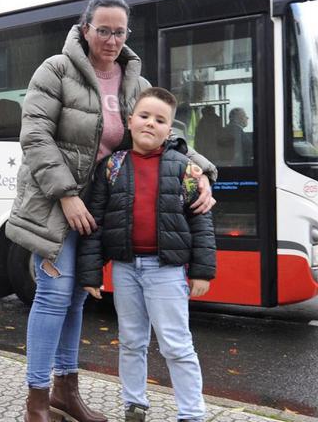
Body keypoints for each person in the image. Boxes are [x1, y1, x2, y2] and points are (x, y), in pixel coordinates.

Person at [6, 0, 218, 422]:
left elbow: (162, 134)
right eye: (102, 30)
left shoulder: (133, 83)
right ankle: (36, 401)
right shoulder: (56, 70)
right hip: (53, 201)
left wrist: (202, 173)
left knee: (77, 300)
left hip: (100, 205)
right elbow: (35, 137)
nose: (110, 39)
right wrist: (66, 195)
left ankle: (66, 391)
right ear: (85, 29)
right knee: (53, 296)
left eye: (118, 31)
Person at [78, 87, 216, 422]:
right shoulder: (112, 166)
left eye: (160, 120)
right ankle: (135, 404)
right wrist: (90, 273)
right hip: (125, 270)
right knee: (131, 341)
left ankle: (192, 414)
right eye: (144, 116)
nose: (150, 124)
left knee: (176, 345)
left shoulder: (185, 169)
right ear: (129, 121)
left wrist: (202, 271)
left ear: (171, 129)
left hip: (165, 271)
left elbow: (201, 221)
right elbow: (95, 222)